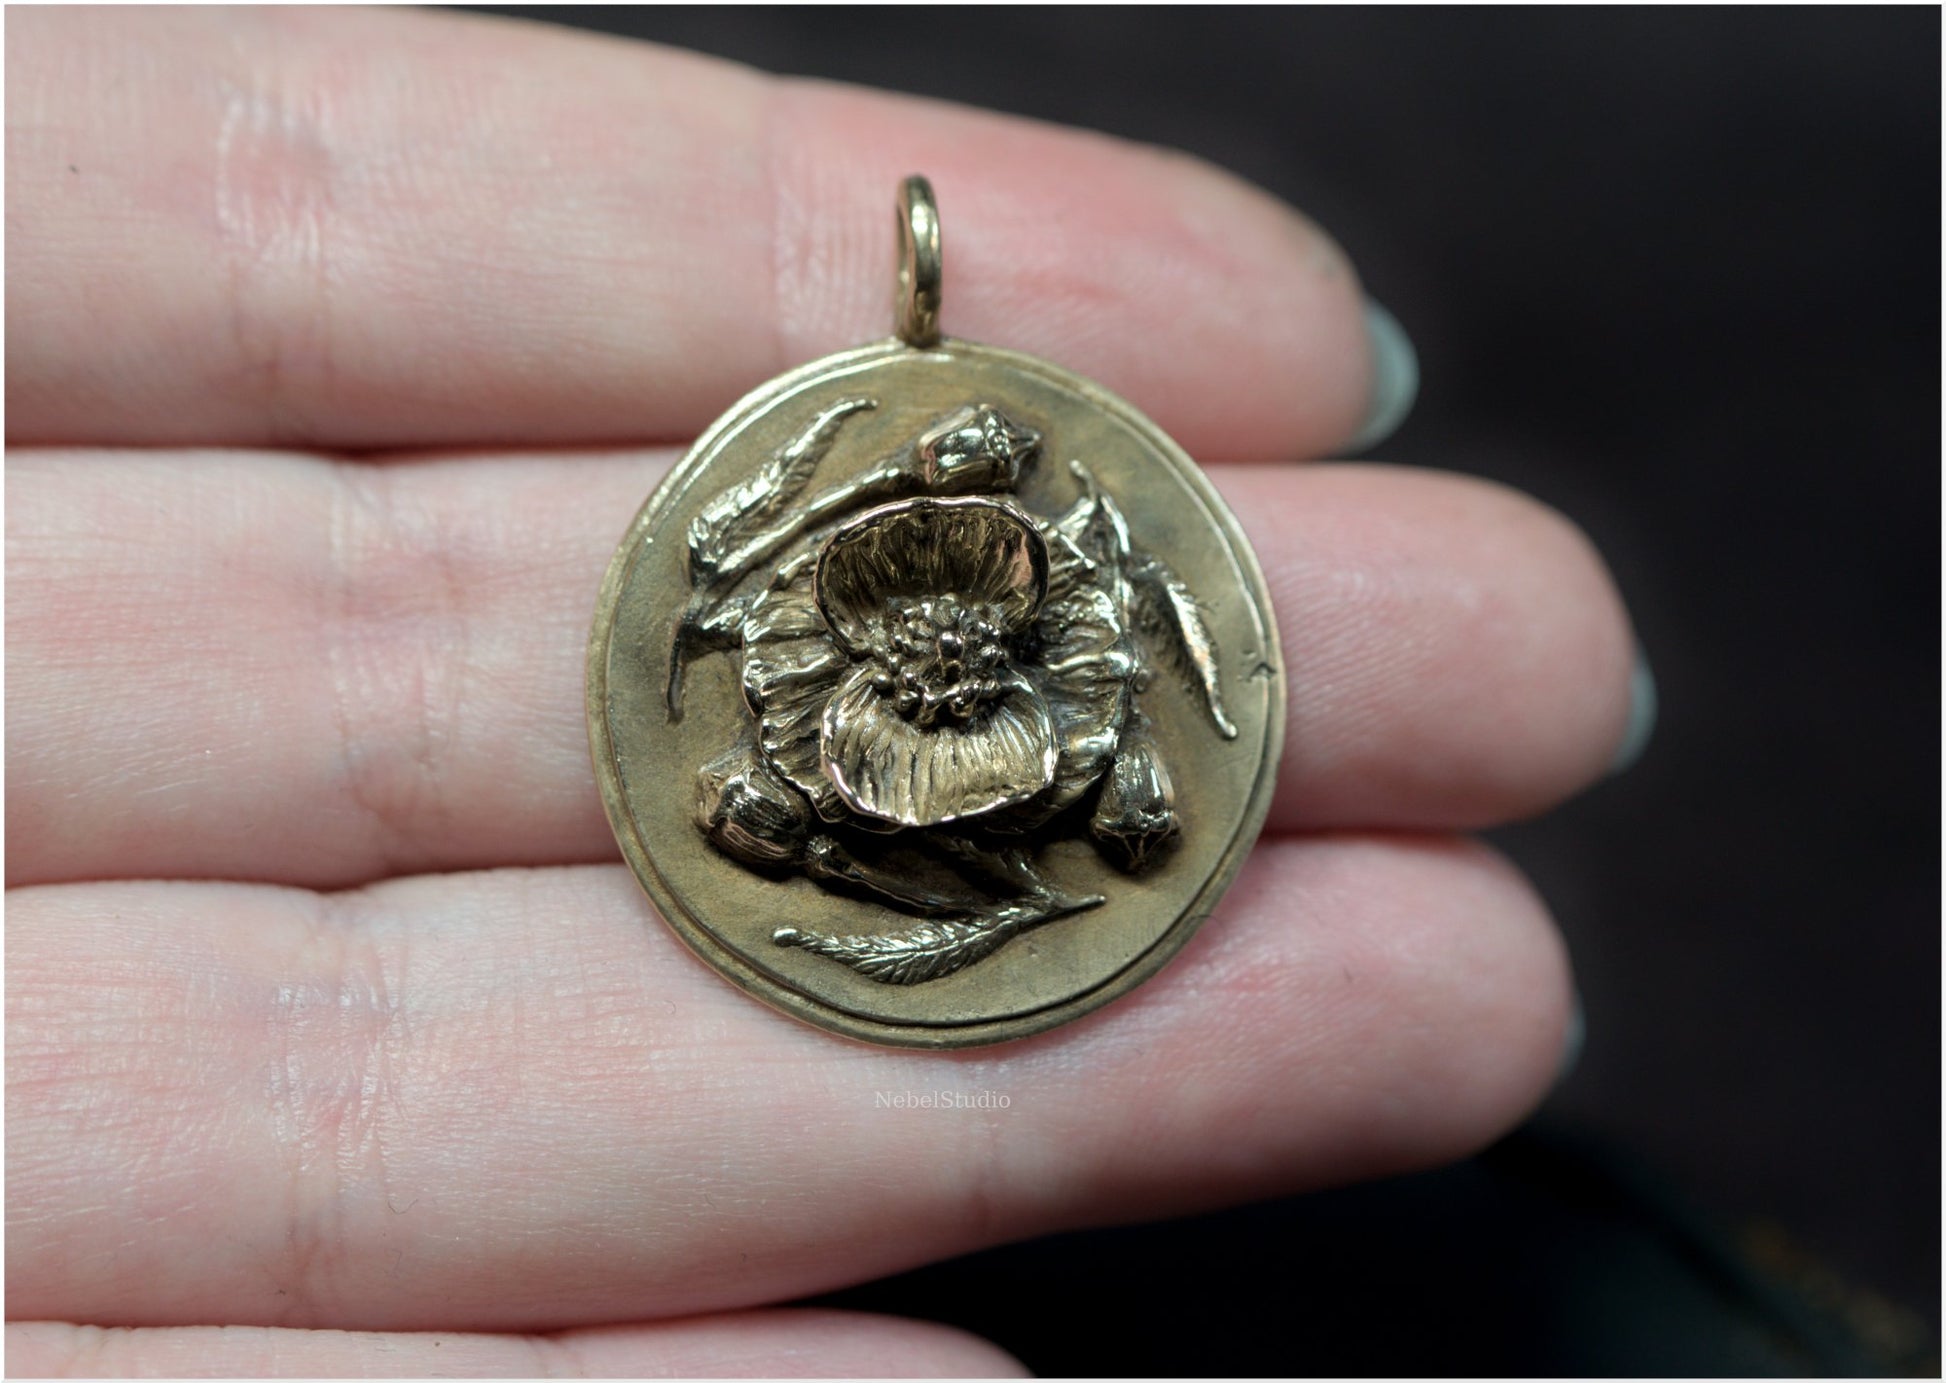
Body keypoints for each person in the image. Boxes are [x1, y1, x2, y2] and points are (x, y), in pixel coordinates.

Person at [6, 7, 1650, 1375]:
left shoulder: (1064, 649)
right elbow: (787, 656)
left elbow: (1083, 657)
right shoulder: (811, 647)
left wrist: (1089, 760)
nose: (945, 646)